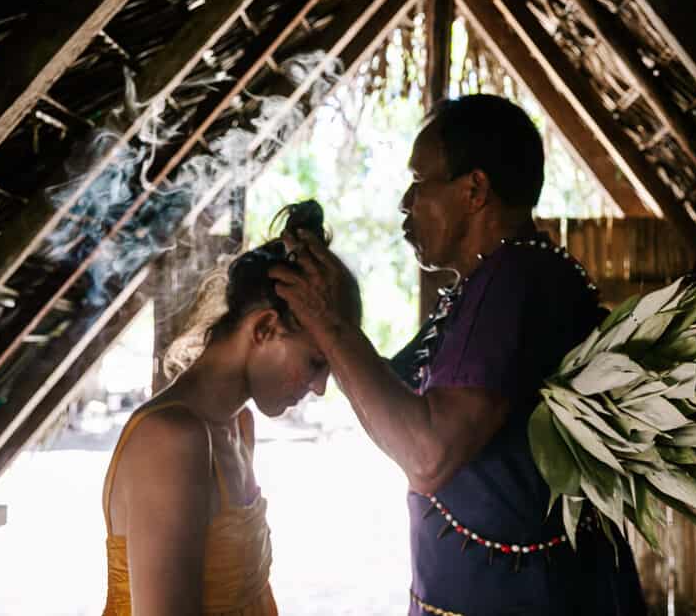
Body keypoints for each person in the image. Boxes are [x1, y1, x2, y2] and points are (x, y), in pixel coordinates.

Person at [272, 95, 646, 615]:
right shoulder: (488, 284)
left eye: (419, 182)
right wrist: (338, 323)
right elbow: (397, 401)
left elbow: (427, 454)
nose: (406, 201)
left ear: (474, 190)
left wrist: (332, 328)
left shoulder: (514, 281)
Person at [100, 201, 360, 616]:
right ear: (265, 328)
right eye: (316, 362)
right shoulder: (170, 439)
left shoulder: (239, 427)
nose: (320, 387)